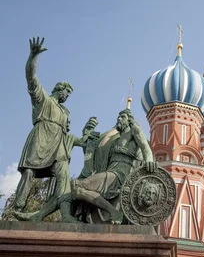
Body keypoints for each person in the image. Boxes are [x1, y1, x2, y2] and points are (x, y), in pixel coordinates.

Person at [13, 38, 79, 222]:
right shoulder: (43, 100)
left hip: (58, 146)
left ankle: (66, 214)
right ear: (60, 90)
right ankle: (18, 208)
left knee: (63, 177)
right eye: (67, 92)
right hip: (41, 138)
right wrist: (33, 56)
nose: (67, 95)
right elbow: (31, 78)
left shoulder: (65, 112)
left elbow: (69, 134)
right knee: (29, 173)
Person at [72, 109, 155, 223]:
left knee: (77, 186)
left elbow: (145, 147)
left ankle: (115, 213)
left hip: (120, 173)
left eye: (122, 117)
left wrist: (149, 160)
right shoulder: (117, 139)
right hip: (111, 171)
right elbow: (97, 156)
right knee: (76, 189)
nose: (119, 119)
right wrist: (88, 135)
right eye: (118, 117)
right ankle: (113, 212)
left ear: (129, 120)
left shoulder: (134, 130)